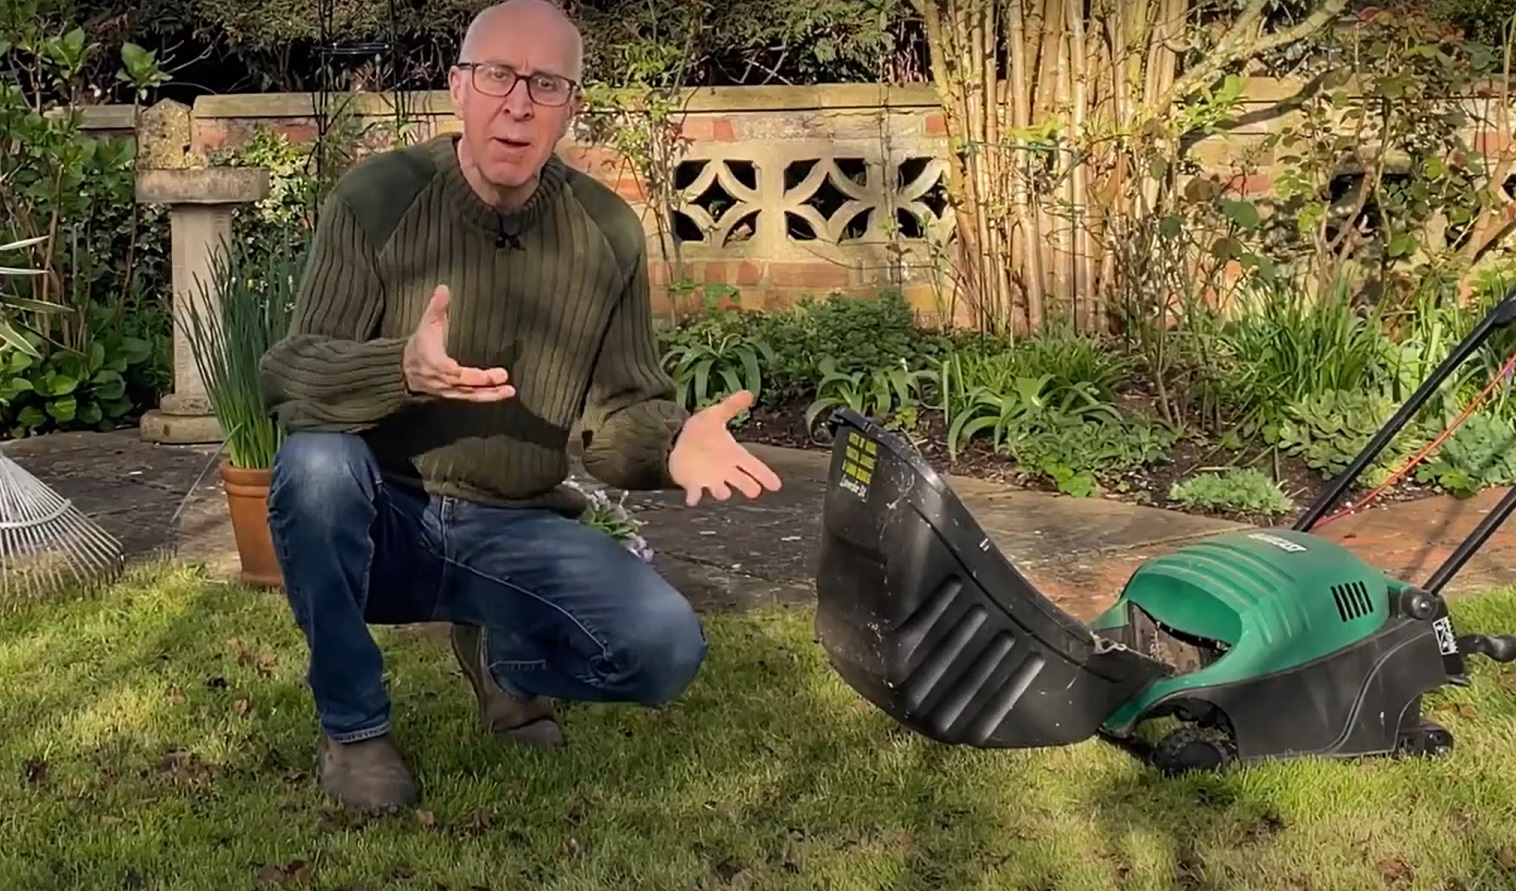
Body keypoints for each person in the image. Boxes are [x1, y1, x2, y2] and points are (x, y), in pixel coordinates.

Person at [257, 0, 782, 813]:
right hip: (384, 516)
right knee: (315, 465)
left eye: (547, 84)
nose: (519, 103)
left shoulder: (605, 230)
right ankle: (355, 726)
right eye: (498, 76)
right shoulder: (379, 196)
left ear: (571, 106)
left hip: (516, 521)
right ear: (458, 88)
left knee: (664, 648)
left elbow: (623, 411)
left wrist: (669, 445)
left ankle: (506, 662)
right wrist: (402, 368)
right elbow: (293, 373)